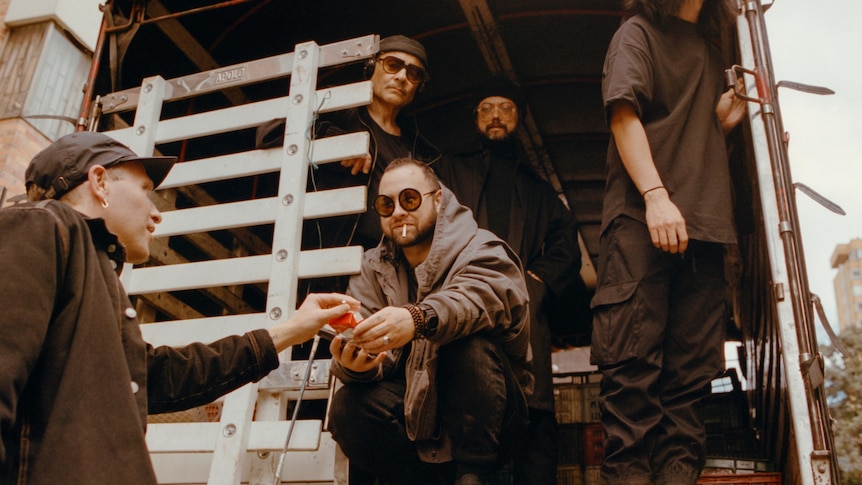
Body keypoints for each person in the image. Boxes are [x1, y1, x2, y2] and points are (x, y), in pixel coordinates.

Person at [0, 131, 360, 484]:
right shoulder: (39, 224)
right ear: (100, 182)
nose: (157, 215)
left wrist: (290, 330)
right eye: (145, 192)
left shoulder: (90, 269)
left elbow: (164, 375)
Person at [590, 0, 748, 484]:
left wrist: (717, 123)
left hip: (704, 229)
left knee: (690, 387)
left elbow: (681, 136)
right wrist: (656, 198)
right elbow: (623, 116)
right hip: (642, 221)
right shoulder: (636, 32)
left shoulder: (710, 47)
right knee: (632, 376)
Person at [325, 158, 533, 485]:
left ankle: (472, 477)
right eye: (386, 204)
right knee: (347, 405)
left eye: (409, 199)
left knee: (468, 343)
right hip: (415, 419)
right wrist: (360, 365)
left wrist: (418, 318)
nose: (397, 212)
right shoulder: (372, 267)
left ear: (437, 199)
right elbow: (374, 352)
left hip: (489, 423)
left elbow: (479, 298)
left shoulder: (480, 247)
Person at [433, 76, 584, 484]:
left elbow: (566, 246)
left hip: (524, 309)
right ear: (476, 118)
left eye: (505, 108)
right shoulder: (449, 170)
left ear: (518, 118)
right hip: (463, 303)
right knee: (464, 405)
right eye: (486, 108)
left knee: (532, 415)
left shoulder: (538, 189)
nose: (495, 115)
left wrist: (536, 281)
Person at [256, 34, 442, 251]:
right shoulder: (337, 106)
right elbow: (268, 132)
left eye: (413, 73)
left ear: (418, 87)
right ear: (371, 67)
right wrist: (333, 141)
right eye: (393, 65)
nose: (402, 77)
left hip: (395, 267)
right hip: (331, 258)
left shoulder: (422, 151)